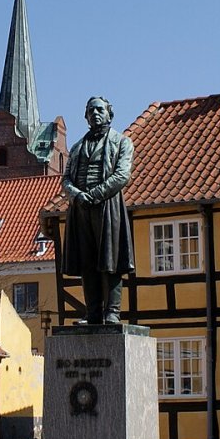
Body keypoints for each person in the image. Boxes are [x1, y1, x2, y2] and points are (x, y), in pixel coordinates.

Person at [61, 96, 134, 324]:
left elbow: (122, 175)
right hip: (81, 208)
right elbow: (65, 180)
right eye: (91, 110)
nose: (95, 113)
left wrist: (95, 194)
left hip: (107, 206)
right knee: (87, 261)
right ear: (86, 116)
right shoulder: (76, 147)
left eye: (100, 109)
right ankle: (92, 313)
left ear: (109, 114)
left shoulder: (122, 142)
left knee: (110, 260)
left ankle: (112, 313)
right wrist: (77, 195)